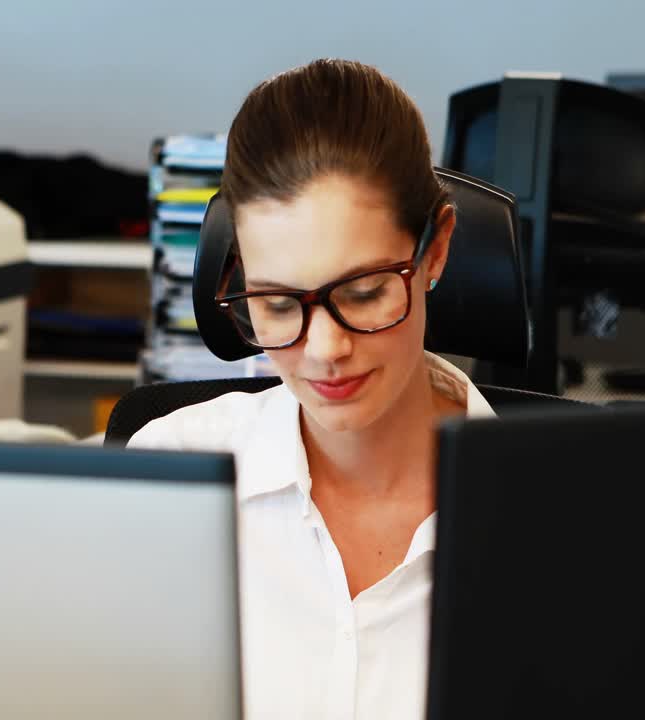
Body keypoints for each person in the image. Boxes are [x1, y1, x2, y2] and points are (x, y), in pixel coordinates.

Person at [128, 59, 496, 719]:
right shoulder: (170, 471)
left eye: (364, 292)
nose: (325, 350)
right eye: (275, 304)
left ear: (434, 250)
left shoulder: (552, 511)